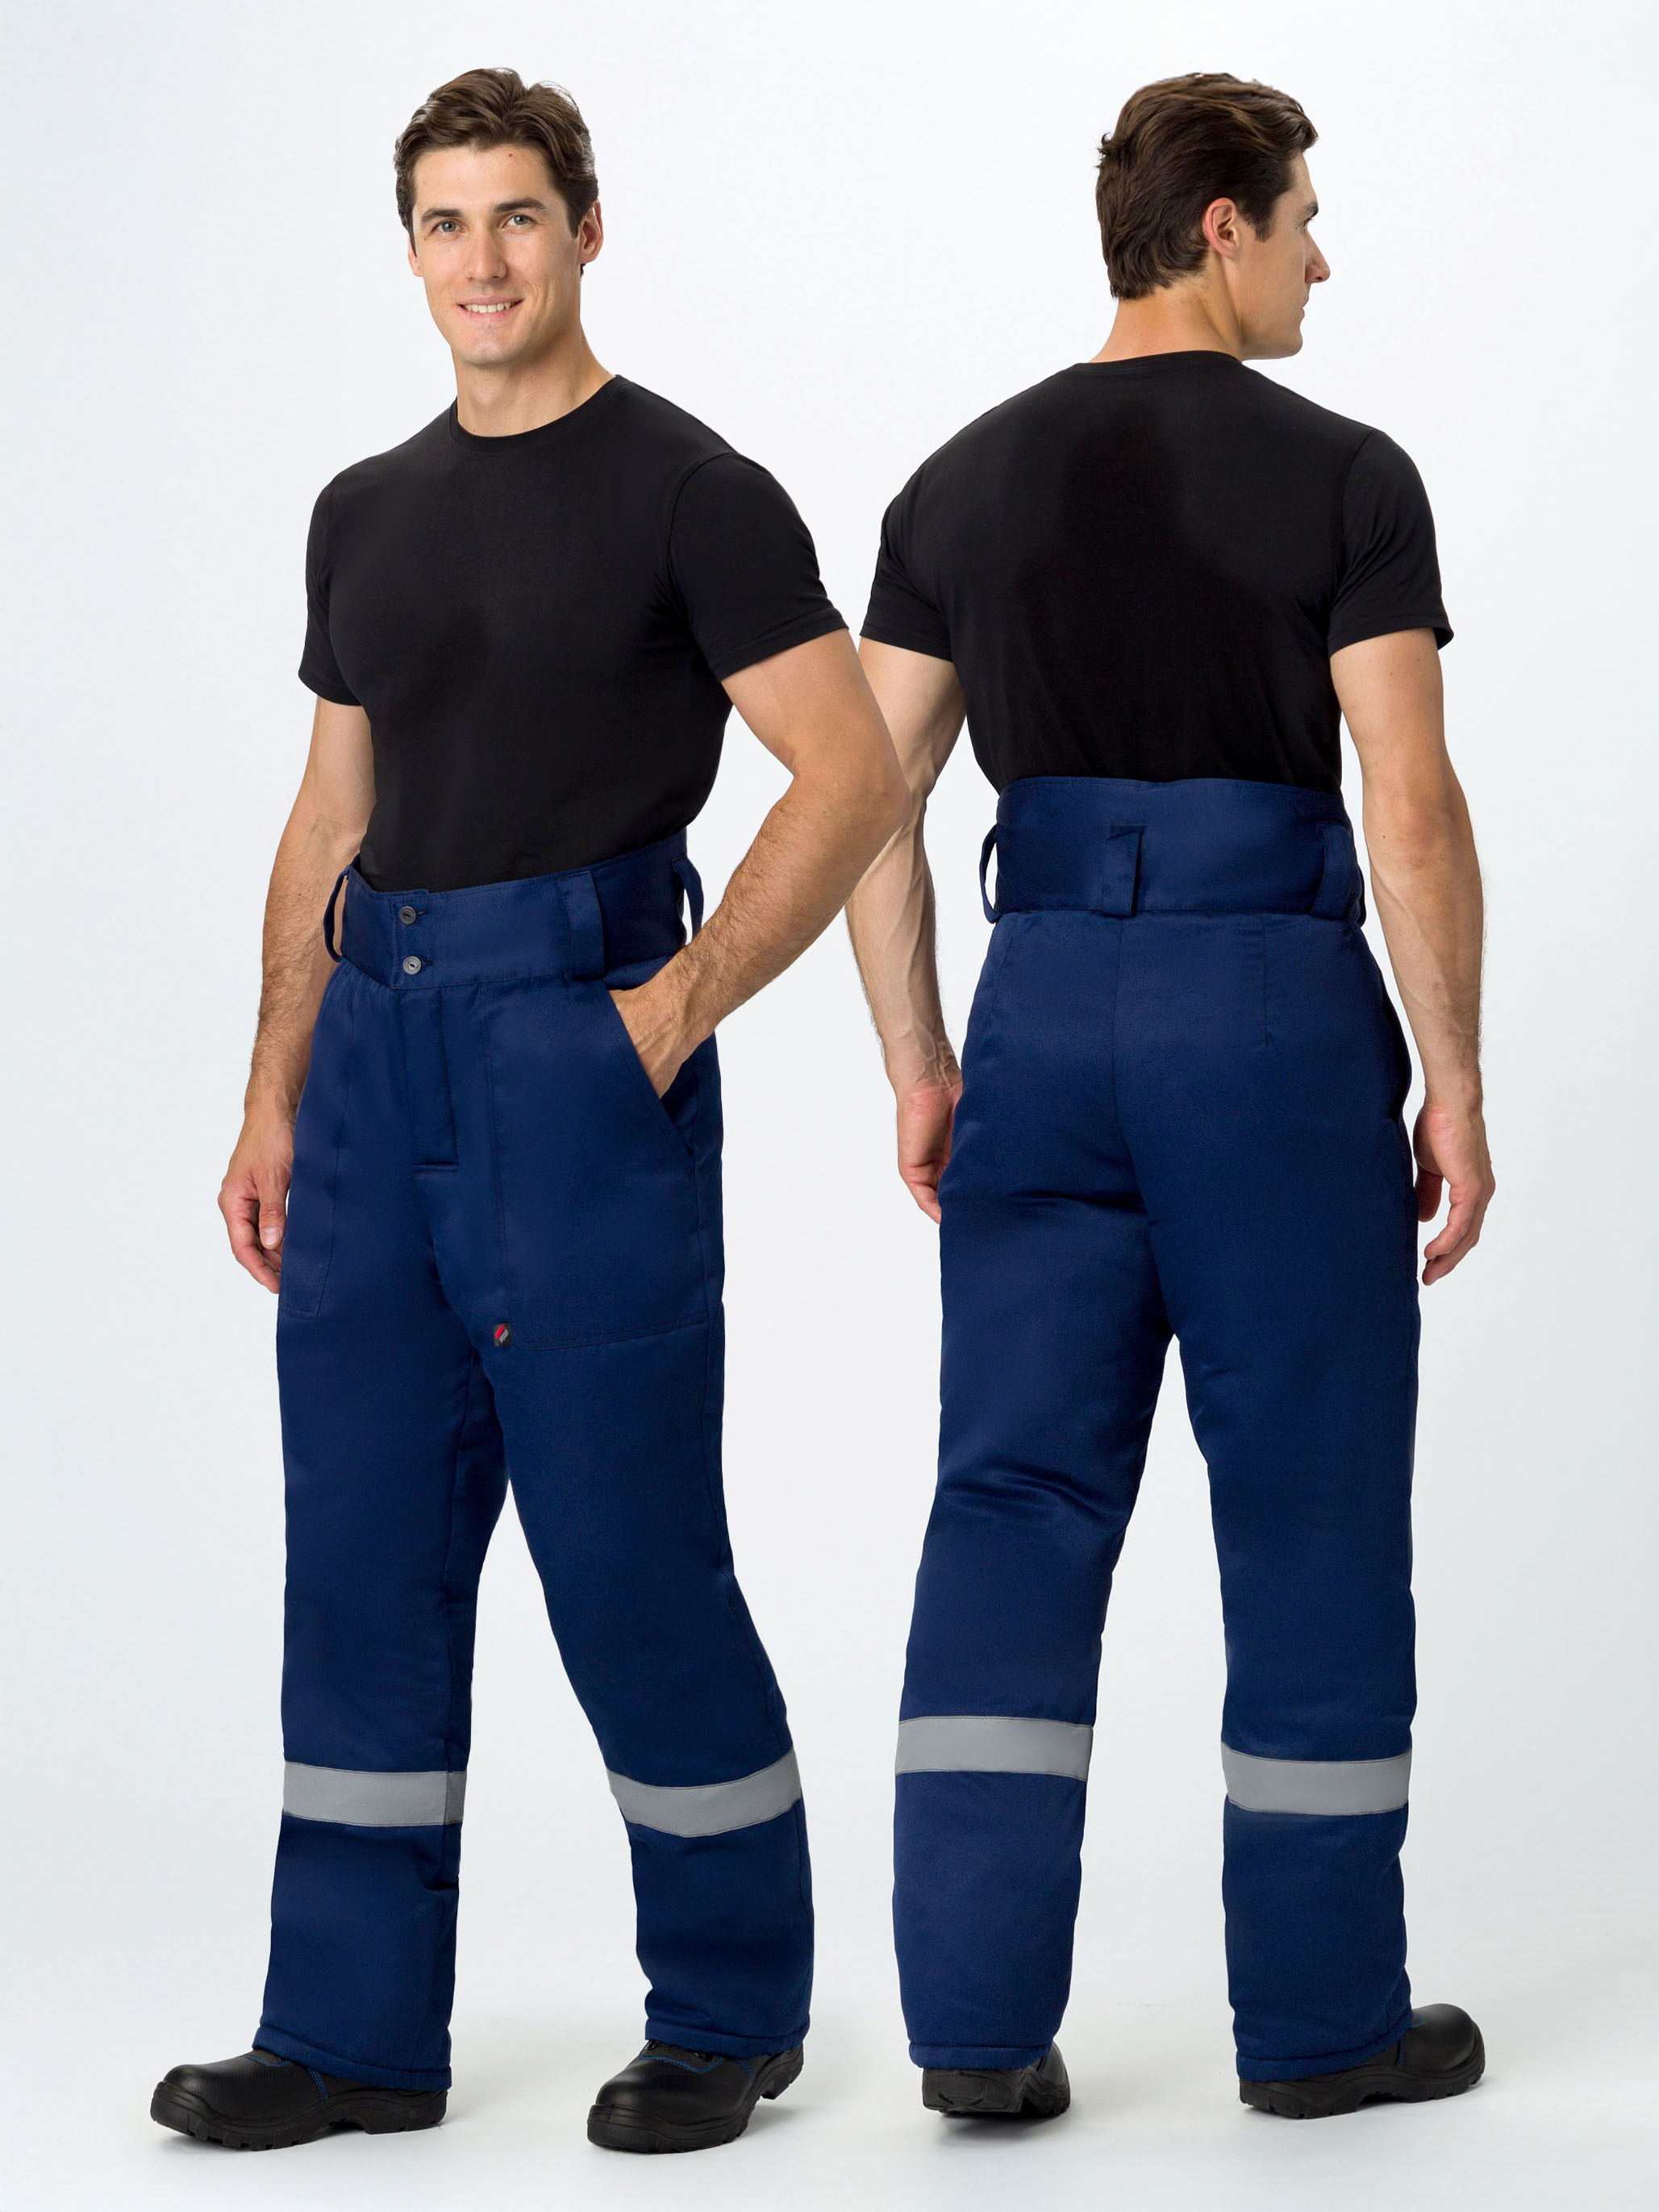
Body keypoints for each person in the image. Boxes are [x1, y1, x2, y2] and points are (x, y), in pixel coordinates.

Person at [151, 66, 906, 2157]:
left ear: (583, 227)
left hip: (575, 1048)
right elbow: (329, 814)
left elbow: (852, 768)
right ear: (407, 250)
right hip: (374, 1061)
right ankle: (349, 2034)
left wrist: (669, 1012)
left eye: (514, 216)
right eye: (443, 222)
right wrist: (273, 1097)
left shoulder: (691, 491)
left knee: (628, 1551)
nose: (480, 259)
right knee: (362, 1554)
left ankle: (730, 2008)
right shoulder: (363, 510)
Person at [847, 72, 1494, 2123]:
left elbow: (866, 802)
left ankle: (970, 2031)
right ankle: (1320, 2030)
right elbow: (1408, 798)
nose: (1321, 259)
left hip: (1043, 1009)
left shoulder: (958, 484)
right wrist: (1457, 1077)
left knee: (1011, 1502)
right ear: (1223, 226)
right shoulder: (1347, 478)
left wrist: (924, 1059)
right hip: (1264, 1016)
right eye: (1303, 220)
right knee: (1307, 1498)